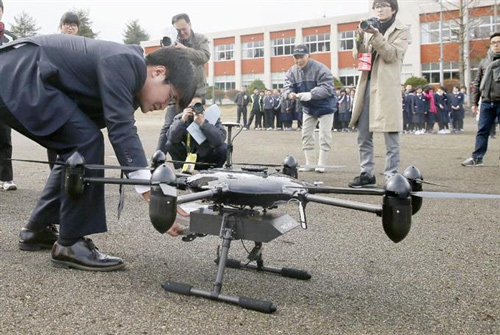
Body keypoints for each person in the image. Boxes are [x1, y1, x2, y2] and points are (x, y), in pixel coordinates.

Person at [0, 34, 196, 271]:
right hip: (20, 74)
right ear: (157, 72)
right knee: (86, 142)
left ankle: (38, 228)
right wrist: (154, 196)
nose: (163, 106)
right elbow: (121, 130)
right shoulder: (127, 62)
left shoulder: (128, 73)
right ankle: (70, 243)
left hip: (17, 73)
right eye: (170, 97)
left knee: (77, 148)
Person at [348, 0, 409, 187]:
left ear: (393, 9)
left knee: (391, 133)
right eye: (376, 6)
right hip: (367, 85)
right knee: (363, 133)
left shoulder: (402, 30)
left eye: (384, 5)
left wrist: (376, 35)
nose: (380, 9)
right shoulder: (369, 28)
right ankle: (367, 173)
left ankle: (391, 175)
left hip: (386, 87)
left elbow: (391, 55)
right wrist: (359, 36)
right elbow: (357, 56)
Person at [156, 13, 210, 154]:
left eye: (183, 28)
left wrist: (184, 50)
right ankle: (157, 159)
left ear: (190, 24)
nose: (181, 33)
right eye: (177, 30)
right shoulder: (173, 40)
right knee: (169, 126)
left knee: (197, 126)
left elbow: (204, 56)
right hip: (177, 92)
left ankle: (199, 162)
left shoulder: (200, 38)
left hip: (196, 92)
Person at [283, 44, 337, 173]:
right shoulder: (291, 71)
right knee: (306, 135)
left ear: (308, 56)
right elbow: (286, 87)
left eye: (301, 57)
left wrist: (311, 94)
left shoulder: (320, 68)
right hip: (308, 108)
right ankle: (310, 164)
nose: (299, 60)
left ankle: (321, 164)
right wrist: (289, 94)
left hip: (325, 106)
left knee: (324, 135)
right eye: (296, 57)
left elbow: (328, 88)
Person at [46, 11, 82, 170]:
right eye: (67, 24)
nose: (70, 27)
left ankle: (75, 171)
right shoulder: (51, 44)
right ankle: (54, 170)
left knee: (77, 135)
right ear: (60, 26)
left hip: (77, 97)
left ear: (78, 28)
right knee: (54, 134)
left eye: (74, 25)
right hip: (55, 96)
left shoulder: (84, 46)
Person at [461, 32, 500, 167]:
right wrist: (474, 102)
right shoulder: (484, 62)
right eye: (494, 42)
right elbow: (477, 83)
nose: (496, 45)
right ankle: (477, 158)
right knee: (482, 130)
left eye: (499, 42)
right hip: (486, 102)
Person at [165, 96, 227, 170]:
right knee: (169, 144)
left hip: (207, 156)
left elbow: (219, 140)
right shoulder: (180, 118)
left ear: (203, 107)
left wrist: (203, 124)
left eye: (197, 106)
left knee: (223, 147)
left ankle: (216, 169)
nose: (194, 109)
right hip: (188, 157)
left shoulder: (212, 117)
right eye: (191, 107)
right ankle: (182, 169)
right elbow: (172, 138)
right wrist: (182, 121)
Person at [0, 0, 17, 190]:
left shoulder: (11, 38)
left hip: (3, 95)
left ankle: (7, 178)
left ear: (2, 12)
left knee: (4, 137)